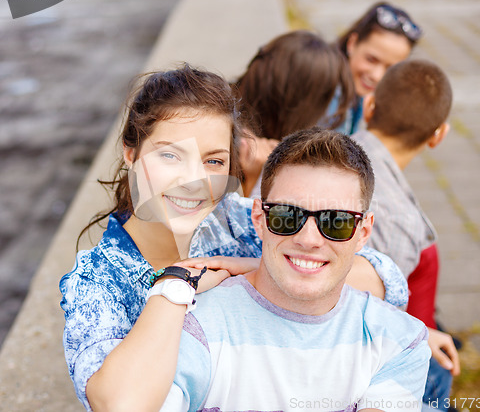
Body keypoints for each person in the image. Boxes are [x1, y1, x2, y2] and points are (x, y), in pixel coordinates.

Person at [60, 65, 406, 411]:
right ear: (131, 153)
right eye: (170, 155)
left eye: (213, 161)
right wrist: (176, 286)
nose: (194, 180)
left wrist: (253, 269)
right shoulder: (100, 280)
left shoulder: (240, 221)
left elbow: (385, 279)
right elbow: (118, 405)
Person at [161, 128, 431, 411]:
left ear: (363, 232)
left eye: (335, 222)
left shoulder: (401, 342)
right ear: (259, 219)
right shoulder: (195, 328)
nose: (308, 240)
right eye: (287, 216)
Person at [353, 59, 460, 411]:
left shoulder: (331, 148)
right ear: (438, 135)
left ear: (370, 106)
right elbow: (370, 319)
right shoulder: (398, 220)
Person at [232, 30, 354, 197]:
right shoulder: (234, 151)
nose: (328, 113)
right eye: (325, 99)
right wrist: (256, 181)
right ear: (296, 102)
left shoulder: (230, 112)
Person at [327, 1, 422, 135]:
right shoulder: (326, 93)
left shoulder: (356, 89)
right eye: (371, 59)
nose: (377, 76)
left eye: (390, 69)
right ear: (352, 43)